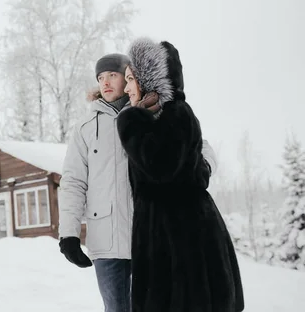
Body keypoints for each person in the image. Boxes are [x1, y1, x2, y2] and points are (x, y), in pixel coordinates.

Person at [58, 52, 218, 312]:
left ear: (129, 78)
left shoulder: (153, 113)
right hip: (107, 243)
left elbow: (200, 146)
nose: (105, 82)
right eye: (100, 77)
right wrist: (68, 233)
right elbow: (73, 182)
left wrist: (203, 169)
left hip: (151, 237)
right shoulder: (85, 128)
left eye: (112, 74)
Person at [117, 38, 244, 312]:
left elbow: (159, 167)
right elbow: (189, 171)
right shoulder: (153, 119)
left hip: (185, 245)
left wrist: (128, 122)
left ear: (148, 78)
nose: (125, 88)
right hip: (161, 242)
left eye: (130, 79)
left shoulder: (176, 113)